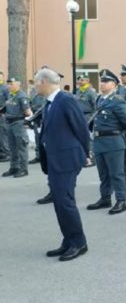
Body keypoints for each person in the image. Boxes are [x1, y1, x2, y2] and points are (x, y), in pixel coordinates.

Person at [34, 68, 90, 261]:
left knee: (65, 202)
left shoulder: (65, 100)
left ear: (44, 82)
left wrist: (86, 153)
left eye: (35, 82)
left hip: (67, 160)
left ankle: (78, 243)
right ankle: (68, 240)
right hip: (56, 160)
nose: (34, 87)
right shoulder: (50, 103)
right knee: (60, 202)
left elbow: (81, 127)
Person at [86, 69, 126, 215]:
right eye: (102, 81)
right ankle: (105, 198)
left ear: (114, 84)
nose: (102, 84)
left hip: (113, 141)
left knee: (117, 173)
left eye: (106, 82)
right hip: (99, 141)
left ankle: (121, 200)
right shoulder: (100, 99)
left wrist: (114, 130)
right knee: (103, 173)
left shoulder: (118, 100)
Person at [2, 77, 32, 177]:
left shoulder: (21, 96)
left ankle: (24, 169)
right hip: (9, 123)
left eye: (11, 84)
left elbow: (28, 112)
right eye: (8, 84)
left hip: (18, 123)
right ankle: (14, 167)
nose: (9, 86)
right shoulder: (11, 95)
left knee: (21, 147)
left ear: (18, 85)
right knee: (12, 147)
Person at [75, 74, 98, 167]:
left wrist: (91, 119)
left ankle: (92, 157)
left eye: (82, 80)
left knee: (88, 138)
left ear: (87, 81)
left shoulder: (91, 92)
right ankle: (83, 157)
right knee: (81, 138)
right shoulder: (78, 91)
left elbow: (96, 107)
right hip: (79, 116)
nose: (80, 81)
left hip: (88, 116)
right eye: (79, 80)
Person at [27, 79, 46, 165]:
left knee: (46, 138)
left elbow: (44, 105)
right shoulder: (33, 91)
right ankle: (38, 156)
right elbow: (30, 103)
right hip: (36, 118)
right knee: (37, 137)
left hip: (44, 117)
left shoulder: (47, 90)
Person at [0, 71, 10, 162]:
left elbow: (10, 101)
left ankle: (6, 154)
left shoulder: (5, 89)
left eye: (0, 77)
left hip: (2, 115)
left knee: (3, 135)